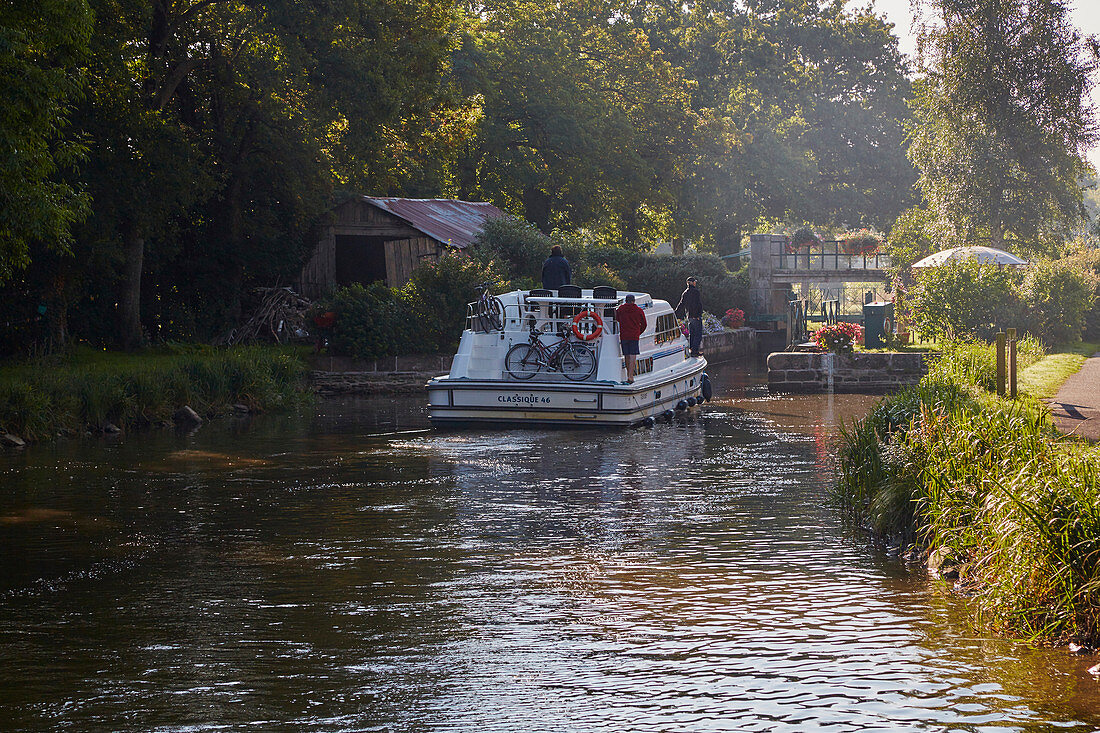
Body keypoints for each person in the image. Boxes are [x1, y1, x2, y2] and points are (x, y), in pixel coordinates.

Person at [615, 294, 647, 383]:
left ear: (626, 300)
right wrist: (638, 332)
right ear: (634, 301)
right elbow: (644, 324)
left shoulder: (621, 309)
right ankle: (630, 376)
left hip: (624, 335)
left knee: (626, 355)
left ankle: (628, 374)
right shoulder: (639, 310)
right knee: (633, 354)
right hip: (634, 336)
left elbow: (617, 318)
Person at [675, 276, 703, 357]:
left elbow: (681, 304)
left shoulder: (685, 293)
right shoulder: (696, 292)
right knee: (698, 334)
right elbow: (698, 305)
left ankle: (691, 349)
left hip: (689, 316)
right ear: (693, 283)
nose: (695, 283)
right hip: (696, 316)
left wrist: (675, 313)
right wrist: (698, 315)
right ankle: (695, 351)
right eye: (695, 282)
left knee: (692, 334)